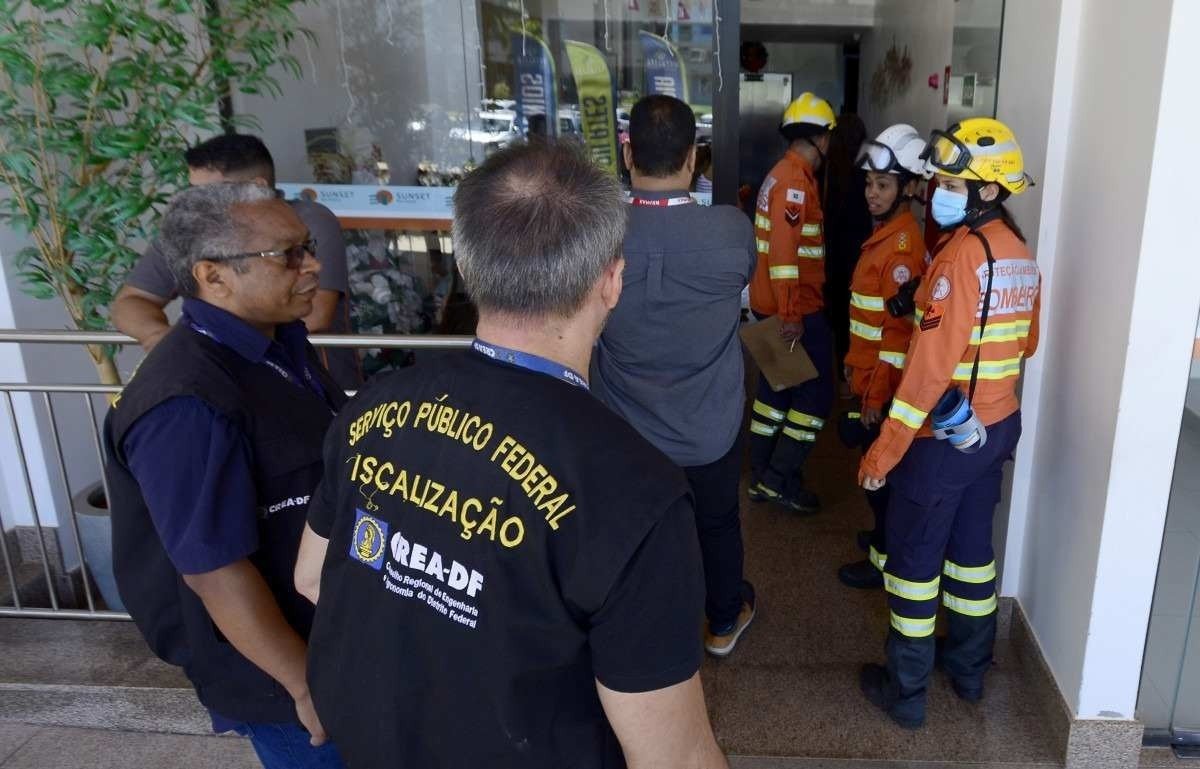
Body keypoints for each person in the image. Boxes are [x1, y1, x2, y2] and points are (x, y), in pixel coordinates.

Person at [294, 142, 727, 769]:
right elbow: (674, 758)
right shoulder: (634, 492)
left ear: (468, 268)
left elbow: (312, 578)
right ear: (612, 280)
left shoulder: (373, 407)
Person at [103, 183, 348, 767]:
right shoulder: (185, 401)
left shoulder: (278, 345)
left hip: (331, 638)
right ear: (213, 276)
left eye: (308, 247)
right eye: (287, 255)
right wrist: (303, 683)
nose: (312, 266)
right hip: (284, 678)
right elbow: (213, 570)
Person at [857, 118, 1041, 729]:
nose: (939, 190)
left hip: (944, 439)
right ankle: (968, 672)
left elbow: (927, 375)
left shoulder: (960, 256)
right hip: (998, 427)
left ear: (987, 190)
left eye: (953, 184)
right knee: (971, 559)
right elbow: (1027, 342)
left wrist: (881, 456)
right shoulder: (1019, 253)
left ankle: (905, 694)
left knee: (914, 569)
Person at [591, 95, 756, 657]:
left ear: (627, 154)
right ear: (692, 158)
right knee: (717, 522)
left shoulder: (602, 235)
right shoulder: (731, 230)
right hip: (709, 426)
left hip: (624, 432)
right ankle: (723, 622)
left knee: (632, 530)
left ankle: (636, 626)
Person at [110, 133, 362, 392]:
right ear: (210, 275)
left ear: (257, 186)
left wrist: (216, 343)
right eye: (192, 191)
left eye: (209, 192)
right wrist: (168, 342)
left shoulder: (309, 219)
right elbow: (130, 303)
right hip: (223, 383)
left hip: (315, 379)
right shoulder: (189, 233)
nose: (195, 203)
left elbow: (316, 315)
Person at [836, 124, 930, 590]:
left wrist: (875, 398)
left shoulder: (902, 248)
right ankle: (879, 540)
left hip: (883, 385)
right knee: (877, 483)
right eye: (870, 184)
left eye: (884, 185)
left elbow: (895, 336)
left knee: (882, 485)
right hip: (868, 374)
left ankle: (882, 561)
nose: (871, 193)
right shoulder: (886, 237)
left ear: (908, 189)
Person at [747, 92, 838, 514]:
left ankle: (761, 476)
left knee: (776, 392)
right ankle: (778, 480)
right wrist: (791, 314)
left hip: (772, 306)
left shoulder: (779, 174)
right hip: (794, 310)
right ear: (820, 138)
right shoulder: (795, 183)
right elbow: (784, 256)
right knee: (816, 397)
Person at [821, 113, 874, 388]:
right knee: (857, 318)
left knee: (838, 317)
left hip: (833, 252)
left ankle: (838, 377)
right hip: (859, 252)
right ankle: (853, 379)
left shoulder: (828, 168)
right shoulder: (866, 172)